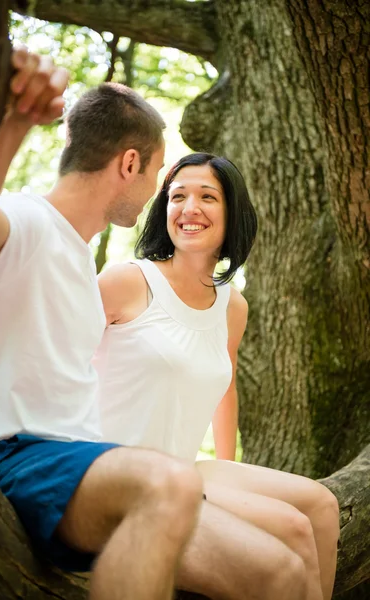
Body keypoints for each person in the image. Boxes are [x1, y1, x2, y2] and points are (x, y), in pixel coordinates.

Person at [0, 48, 310, 600]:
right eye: (160, 175)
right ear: (130, 164)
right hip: (19, 458)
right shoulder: (30, 221)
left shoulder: (80, 260)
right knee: (170, 480)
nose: (159, 192)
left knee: (282, 573)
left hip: (82, 466)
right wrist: (8, 124)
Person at [92, 153, 340, 600]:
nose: (189, 209)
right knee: (294, 532)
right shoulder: (128, 281)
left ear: (233, 215)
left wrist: (230, 464)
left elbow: (224, 385)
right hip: (118, 475)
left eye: (208, 197)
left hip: (185, 465)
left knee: (322, 506)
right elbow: (51, 350)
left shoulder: (232, 304)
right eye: (177, 196)